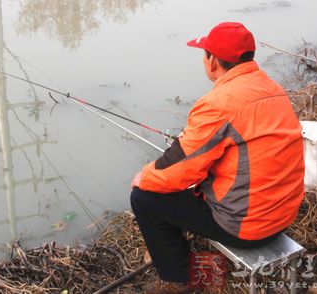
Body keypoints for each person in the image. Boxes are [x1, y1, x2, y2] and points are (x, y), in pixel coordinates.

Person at [130, 22, 305, 294]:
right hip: (284, 214)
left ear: (212, 61)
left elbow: (178, 171)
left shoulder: (219, 102)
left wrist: (145, 176)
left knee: (144, 197)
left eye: (204, 54)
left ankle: (180, 280)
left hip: (246, 227)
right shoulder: (273, 89)